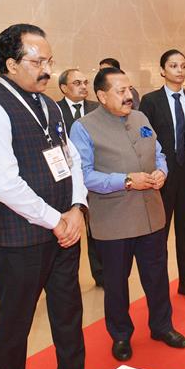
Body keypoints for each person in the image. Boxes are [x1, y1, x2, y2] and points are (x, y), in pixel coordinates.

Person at [0, 24, 88, 369]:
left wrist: (78, 208)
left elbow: (72, 161)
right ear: (11, 64)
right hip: (21, 240)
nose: (47, 69)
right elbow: (2, 182)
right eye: (38, 61)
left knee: (69, 316)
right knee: (14, 327)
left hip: (63, 232)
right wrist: (56, 219)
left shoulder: (48, 104)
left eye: (49, 60)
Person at [70, 67, 185, 362]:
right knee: (116, 284)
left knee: (157, 276)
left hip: (151, 214)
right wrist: (125, 180)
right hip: (114, 220)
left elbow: (158, 151)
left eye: (130, 90)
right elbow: (83, 175)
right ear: (101, 95)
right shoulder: (83, 127)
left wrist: (162, 170)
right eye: (120, 91)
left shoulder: (141, 118)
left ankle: (162, 326)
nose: (129, 96)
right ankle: (121, 335)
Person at [139, 49, 185, 301]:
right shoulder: (150, 101)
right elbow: (145, 137)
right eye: (173, 66)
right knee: (160, 232)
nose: (179, 70)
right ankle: (159, 290)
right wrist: (151, 171)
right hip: (164, 172)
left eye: (183, 65)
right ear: (162, 70)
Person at [57, 68, 104, 288]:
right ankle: (66, 281)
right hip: (66, 179)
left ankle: (101, 274)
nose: (84, 86)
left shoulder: (98, 109)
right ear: (64, 88)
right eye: (77, 83)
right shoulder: (53, 111)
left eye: (85, 82)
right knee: (69, 229)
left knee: (95, 228)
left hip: (95, 175)